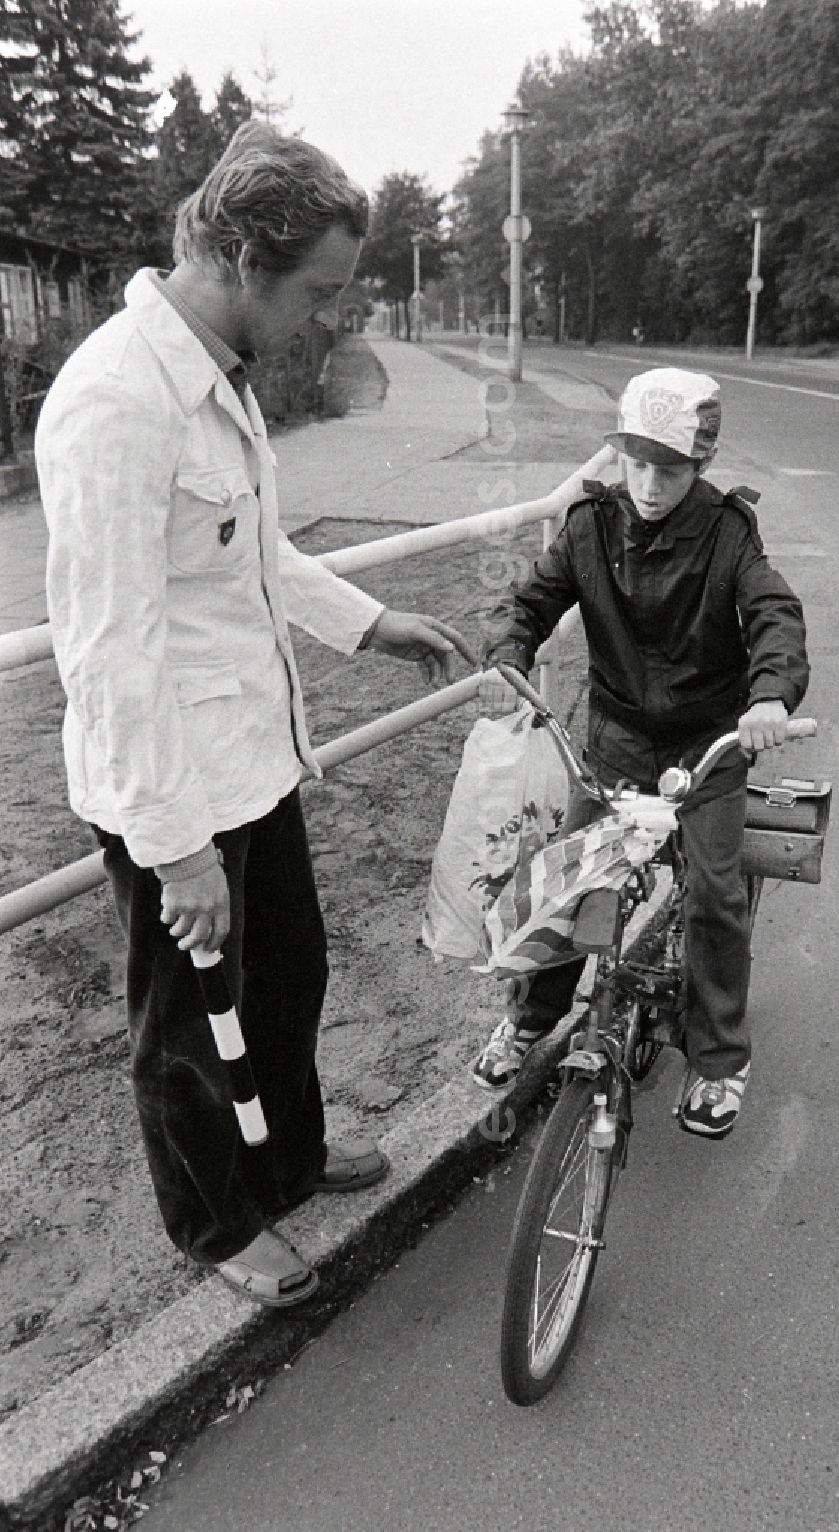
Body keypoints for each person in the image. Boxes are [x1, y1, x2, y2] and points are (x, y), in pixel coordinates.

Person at [35, 121, 461, 1308]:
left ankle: (285, 1152)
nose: (328, 315)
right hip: (170, 788)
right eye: (319, 290)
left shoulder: (214, 376)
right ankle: (218, 1223)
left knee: (288, 979)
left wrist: (372, 621)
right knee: (186, 1024)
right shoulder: (118, 402)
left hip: (253, 761)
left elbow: (250, 550)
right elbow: (107, 647)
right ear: (237, 254)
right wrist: (173, 849)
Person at [471, 367, 809, 1139]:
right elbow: (529, 600)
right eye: (636, 463)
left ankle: (720, 1060)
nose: (650, 484)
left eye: (671, 468)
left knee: (714, 894)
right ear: (618, 458)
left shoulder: (728, 533)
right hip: (618, 739)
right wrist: (507, 655)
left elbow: (773, 613)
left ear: (701, 466)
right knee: (569, 876)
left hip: (708, 746)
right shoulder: (590, 524)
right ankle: (532, 1020)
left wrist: (769, 697)